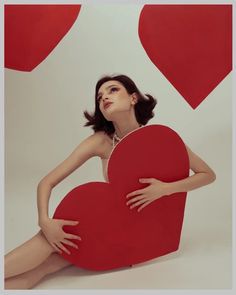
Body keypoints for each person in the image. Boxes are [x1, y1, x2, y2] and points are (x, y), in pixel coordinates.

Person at [4, 74, 216, 289]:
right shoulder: (101, 141)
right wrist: (45, 221)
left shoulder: (160, 139)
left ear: (133, 98)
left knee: (47, 242)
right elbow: (46, 182)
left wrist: (165, 189)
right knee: (45, 267)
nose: (104, 97)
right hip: (110, 229)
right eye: (99, 96)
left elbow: (207, 174)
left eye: (113, 90)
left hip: (141, 236)